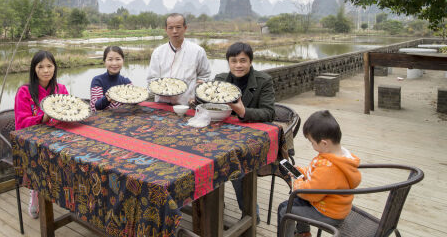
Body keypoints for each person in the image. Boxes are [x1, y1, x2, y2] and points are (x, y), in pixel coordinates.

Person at [214, 42, 276, 222]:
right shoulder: (220, 79)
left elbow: (269, 112)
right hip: (222, 134)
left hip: (251, 139)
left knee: (236, 166)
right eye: (233, 61)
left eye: (243, 60)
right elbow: (210, 103)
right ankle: (213, 204)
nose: (238, 65)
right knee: (204, 158)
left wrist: (243, 111)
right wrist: (199, 98)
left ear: (250, 61)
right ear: (228, 62)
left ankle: (250, 213)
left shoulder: (263, 80)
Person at [277, 110, 361, 237]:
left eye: (312, 142)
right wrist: (302, 172)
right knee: (293, 201)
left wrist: (298, 182)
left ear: (324, 143)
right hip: (334, 207)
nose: (311, 145)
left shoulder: (329, 168)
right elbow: (317, 175)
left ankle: (299, 233)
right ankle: (303, 233)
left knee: (284, 210)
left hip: (328, 213)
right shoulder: (338, 157)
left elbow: (311, 193)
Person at [14, 50, 68, 219]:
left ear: (55, 68)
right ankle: (35, 193)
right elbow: (21, 123)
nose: (46, 70)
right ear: (34, 69)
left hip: (57, 136)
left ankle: (68, 194)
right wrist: (42, 117)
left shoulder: (61, 89)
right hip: (33, 141)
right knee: (43, 159)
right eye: (41, 66)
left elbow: (68, 114)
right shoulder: (24, 92)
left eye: (49, 66)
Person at [147, 13, 211, 105]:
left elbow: (205, 76)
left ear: (185, 28)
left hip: (187, 104)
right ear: (166, 29)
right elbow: (152, 79)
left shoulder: (197, 51)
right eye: (170, 28)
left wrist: (197, 90)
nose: (174, 31)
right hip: (162, 104)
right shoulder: (158, 53)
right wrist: (161, 89)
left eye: (178, 27)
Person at [90, 46, 132, 111]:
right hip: (103, 119)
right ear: (104, 61)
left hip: (123, 118)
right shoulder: (97, 80)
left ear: (123, 60)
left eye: (118, 59)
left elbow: (133, 102)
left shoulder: (126, 82)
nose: (114, 63)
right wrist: (107, 98)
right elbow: (95, 106)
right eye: (110, 59)